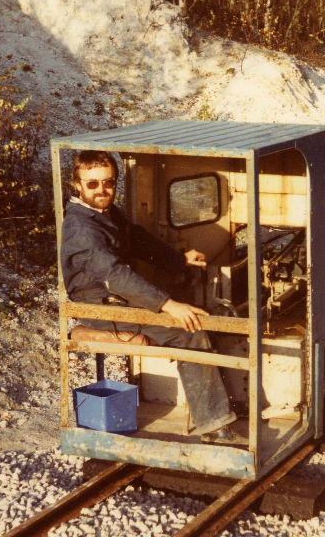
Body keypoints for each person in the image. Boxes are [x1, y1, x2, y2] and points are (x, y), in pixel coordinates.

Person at [60, 150, 240, 441]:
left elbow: (137, 239)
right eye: (92, 184)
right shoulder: (82, 227)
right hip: (100, 308)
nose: (101, 190)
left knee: (191, 310)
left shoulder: (104, 213)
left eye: (108, 183)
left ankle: (209, 406)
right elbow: (116, 276)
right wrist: (169, 306)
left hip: (115, 299)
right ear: (77, 185)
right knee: (189, 330)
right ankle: (214, 424)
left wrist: (178, 260)